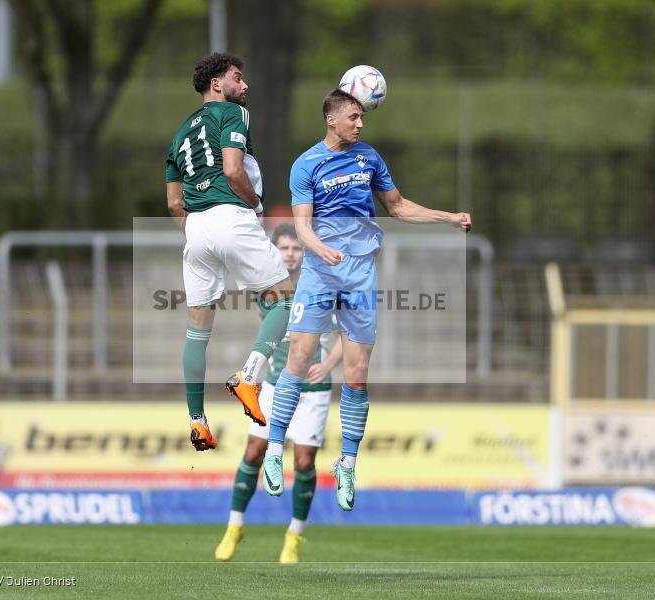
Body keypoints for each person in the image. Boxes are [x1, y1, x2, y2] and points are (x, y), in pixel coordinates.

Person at [262, 89, 472, 510]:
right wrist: (319, 250)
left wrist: (447, 218)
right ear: (332, 120)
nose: (361, 123)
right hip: (321, 272)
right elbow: (301, 227)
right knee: (298, 361)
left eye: (362, 117)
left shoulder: (369, 158)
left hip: (359, 273)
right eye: (354, 117)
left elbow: (396, 207)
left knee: (357, 374)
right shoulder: (306, 164)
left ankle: (347, 464)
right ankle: (273, 449)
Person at [166, 53, 295, 452]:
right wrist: (254, 207)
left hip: (196, 228)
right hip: (230, 214)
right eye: (238, 78)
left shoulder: (179, 134)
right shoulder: (232, 115)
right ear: (217, 84)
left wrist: (199, 231)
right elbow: (233, 170)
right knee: (285, 301)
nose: (246, 86)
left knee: (197, 329)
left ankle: (197, 421)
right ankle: (249, 377)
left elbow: (174, 203)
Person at [215, 223, 343, 564]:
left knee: (303, 461)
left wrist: (329, 364)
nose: (290, 253)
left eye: (296, 248)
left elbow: (348, 331)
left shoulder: (323, 283)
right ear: (274, 252)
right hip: (273, 383)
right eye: (284, 248)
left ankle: (294, 534)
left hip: (312, 388)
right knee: (254, 451)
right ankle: (234, 526)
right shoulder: (264, 285)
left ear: (305, 251)